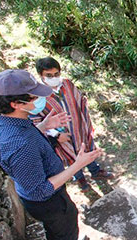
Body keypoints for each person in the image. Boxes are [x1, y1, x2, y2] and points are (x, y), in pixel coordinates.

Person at [0, 69, 103, 240]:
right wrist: (78, 164)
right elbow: (39, 190)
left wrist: (43, 126)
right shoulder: (19, 144)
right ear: (16, 104)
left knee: (58, 228)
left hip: (37, 194)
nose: (40, 99)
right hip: (48, 200)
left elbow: (24, 142)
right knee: (64, 226)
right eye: (34, 96)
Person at [34, 57, 113, 192]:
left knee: (86, 148)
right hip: (61, 136)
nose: (54, 77)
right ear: (41, 75)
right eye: (49, 75)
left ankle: (95, 172)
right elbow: (36, 121)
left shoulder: (67, 84)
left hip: (79, 128)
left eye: (56, 74)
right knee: (70, 156)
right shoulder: (37, 96)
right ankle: (80, 179)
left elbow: (80, 102)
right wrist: (57, 135)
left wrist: (85, 124)